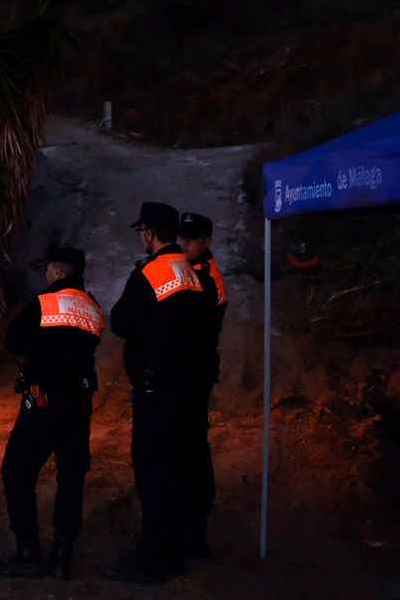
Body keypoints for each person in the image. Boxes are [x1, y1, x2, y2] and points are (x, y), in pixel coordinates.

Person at [101, 202, 204, 584]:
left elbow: (122, 322)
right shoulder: (189, 271)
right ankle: (173, 552)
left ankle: (151, 561)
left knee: (152, 474)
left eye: (143, 232)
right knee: (174, 471)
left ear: (149, 232)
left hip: (155, 390)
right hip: (183, 387)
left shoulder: (151, 272)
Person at [0, 245, 103, 580]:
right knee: (71, 477)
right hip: (79, 403)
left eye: (48, 268)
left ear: (57, 271)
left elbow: (13, 340)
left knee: (16, 471)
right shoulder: (93, 307)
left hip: (43, 402)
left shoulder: (42, 304)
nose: (46, 273)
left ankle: (28, 551)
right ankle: (61, 558)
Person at [176, 211, 227, 559]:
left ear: (206, 241)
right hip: (191, 371)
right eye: (181, 238)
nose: (183, 244)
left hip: (194, 373)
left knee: (191, 449)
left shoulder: (208, 277)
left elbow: (202, 327)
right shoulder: (190, 270)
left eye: (190, 239)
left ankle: (195, 532)